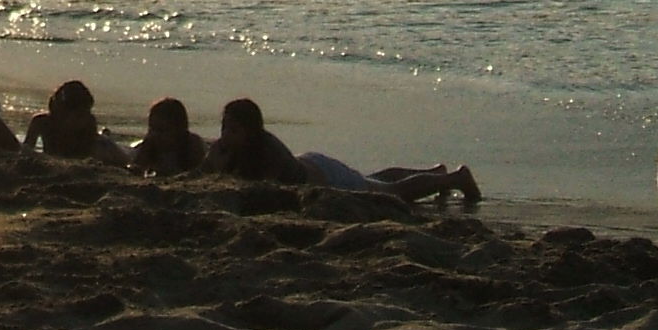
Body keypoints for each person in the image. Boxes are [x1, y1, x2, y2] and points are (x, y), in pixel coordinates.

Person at [299, 151, 482, 204]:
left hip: (323, 178)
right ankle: (435, 175)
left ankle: (457, 179)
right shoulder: (270, 146)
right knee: (375, 182)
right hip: (313, 166)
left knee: (392, 193)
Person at [20, 79, 132, 165]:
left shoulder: (89, 121)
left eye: (87, 112)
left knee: (127, 157)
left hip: (104, 146)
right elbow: (26, 150)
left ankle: (106, 135)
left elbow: (90, 156)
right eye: (79, 114)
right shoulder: (41, 122)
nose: (85, 117)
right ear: (61, 112)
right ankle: (106, 133)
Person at [202, 97, 308, 183]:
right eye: (223, 127)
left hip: (318, 170)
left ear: (250, 132)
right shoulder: (219, 148)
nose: (225, 134)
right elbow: (197, 175)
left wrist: (222, 173)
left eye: (233, 130)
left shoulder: (269, 153)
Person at [129, 97, 207, 175]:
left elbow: (199, 172)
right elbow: (136, 169)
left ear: (179, 129)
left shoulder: (193, 145)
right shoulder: (149, 144)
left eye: (161, 130)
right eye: (151, 129)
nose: (155, 135)